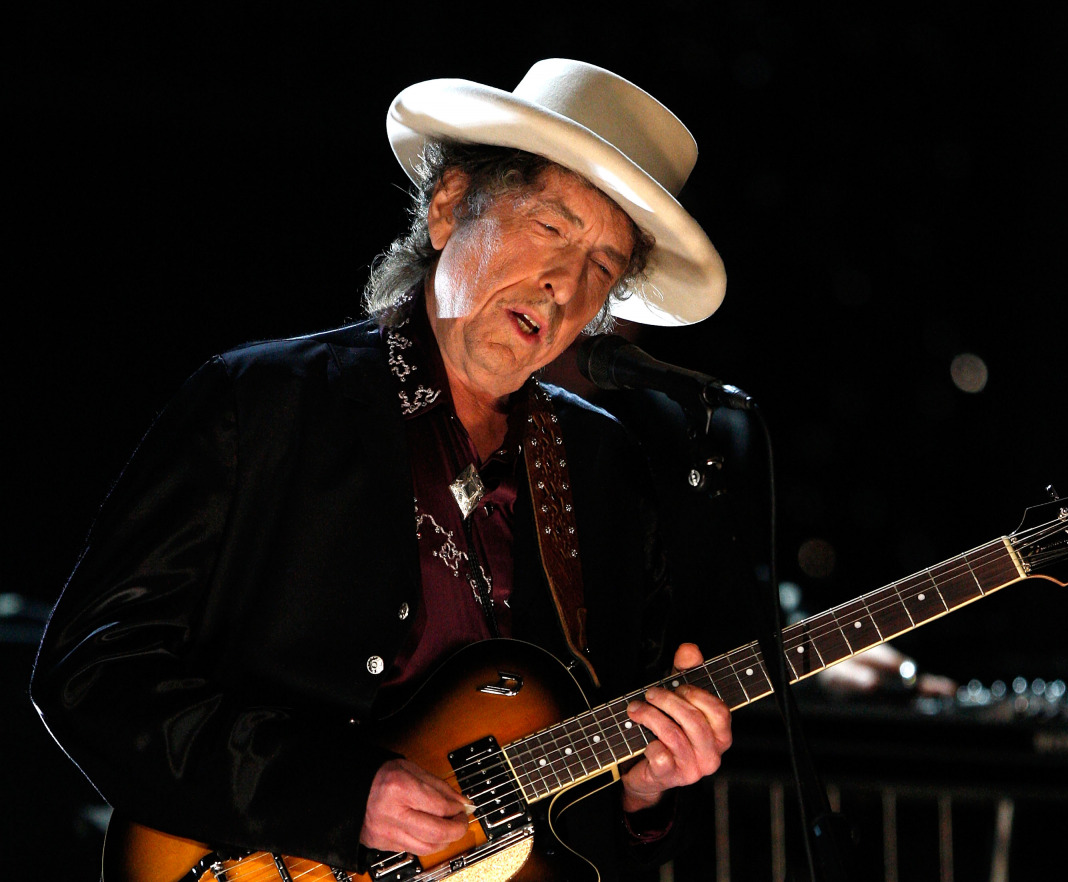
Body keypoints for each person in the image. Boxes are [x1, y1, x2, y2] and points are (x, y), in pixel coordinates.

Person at [30, 59, 732, 878]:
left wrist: (649, 790)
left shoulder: (608, 469)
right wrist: (335, 792)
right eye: (551, 227)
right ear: (447, 208)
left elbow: (591, 814)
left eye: (604, 266)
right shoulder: (264, 403)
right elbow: (91, 672)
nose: (566, 282)